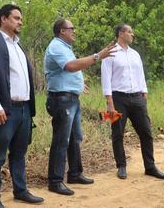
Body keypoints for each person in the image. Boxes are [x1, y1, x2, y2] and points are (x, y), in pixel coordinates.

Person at [0, 4, 44, 208]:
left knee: (19, 152)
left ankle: (20, 190)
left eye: (20, 19)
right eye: (16, 18)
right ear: (3, 19)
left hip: (24, 108)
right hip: (5, 110)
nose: (20, 22)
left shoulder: (17, 45)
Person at [44, 18, 116, 195]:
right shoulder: (56, 47)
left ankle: (75, 174)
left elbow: (67, 71)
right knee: (61, 140)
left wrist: (78, 85)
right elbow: (70, 67)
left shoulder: (65, 48)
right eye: (71, 28)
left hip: (70, 98)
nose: (74, 31)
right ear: (62, 30)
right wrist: (98, 56)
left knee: (75, 137)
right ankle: (55, 181)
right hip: (61, 100)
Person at [101, 23, 164, 180]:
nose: (133, 34)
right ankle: (121, 166)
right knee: (117, 133)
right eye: (130, 32)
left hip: (137, 98)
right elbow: (105, 78)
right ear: (121, 33)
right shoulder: (110, 53)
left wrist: (144, 93)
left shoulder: (135, 54)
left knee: (146, 132)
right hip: (118, 99)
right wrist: (109, 102)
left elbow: (140, 75)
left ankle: (150, 167)